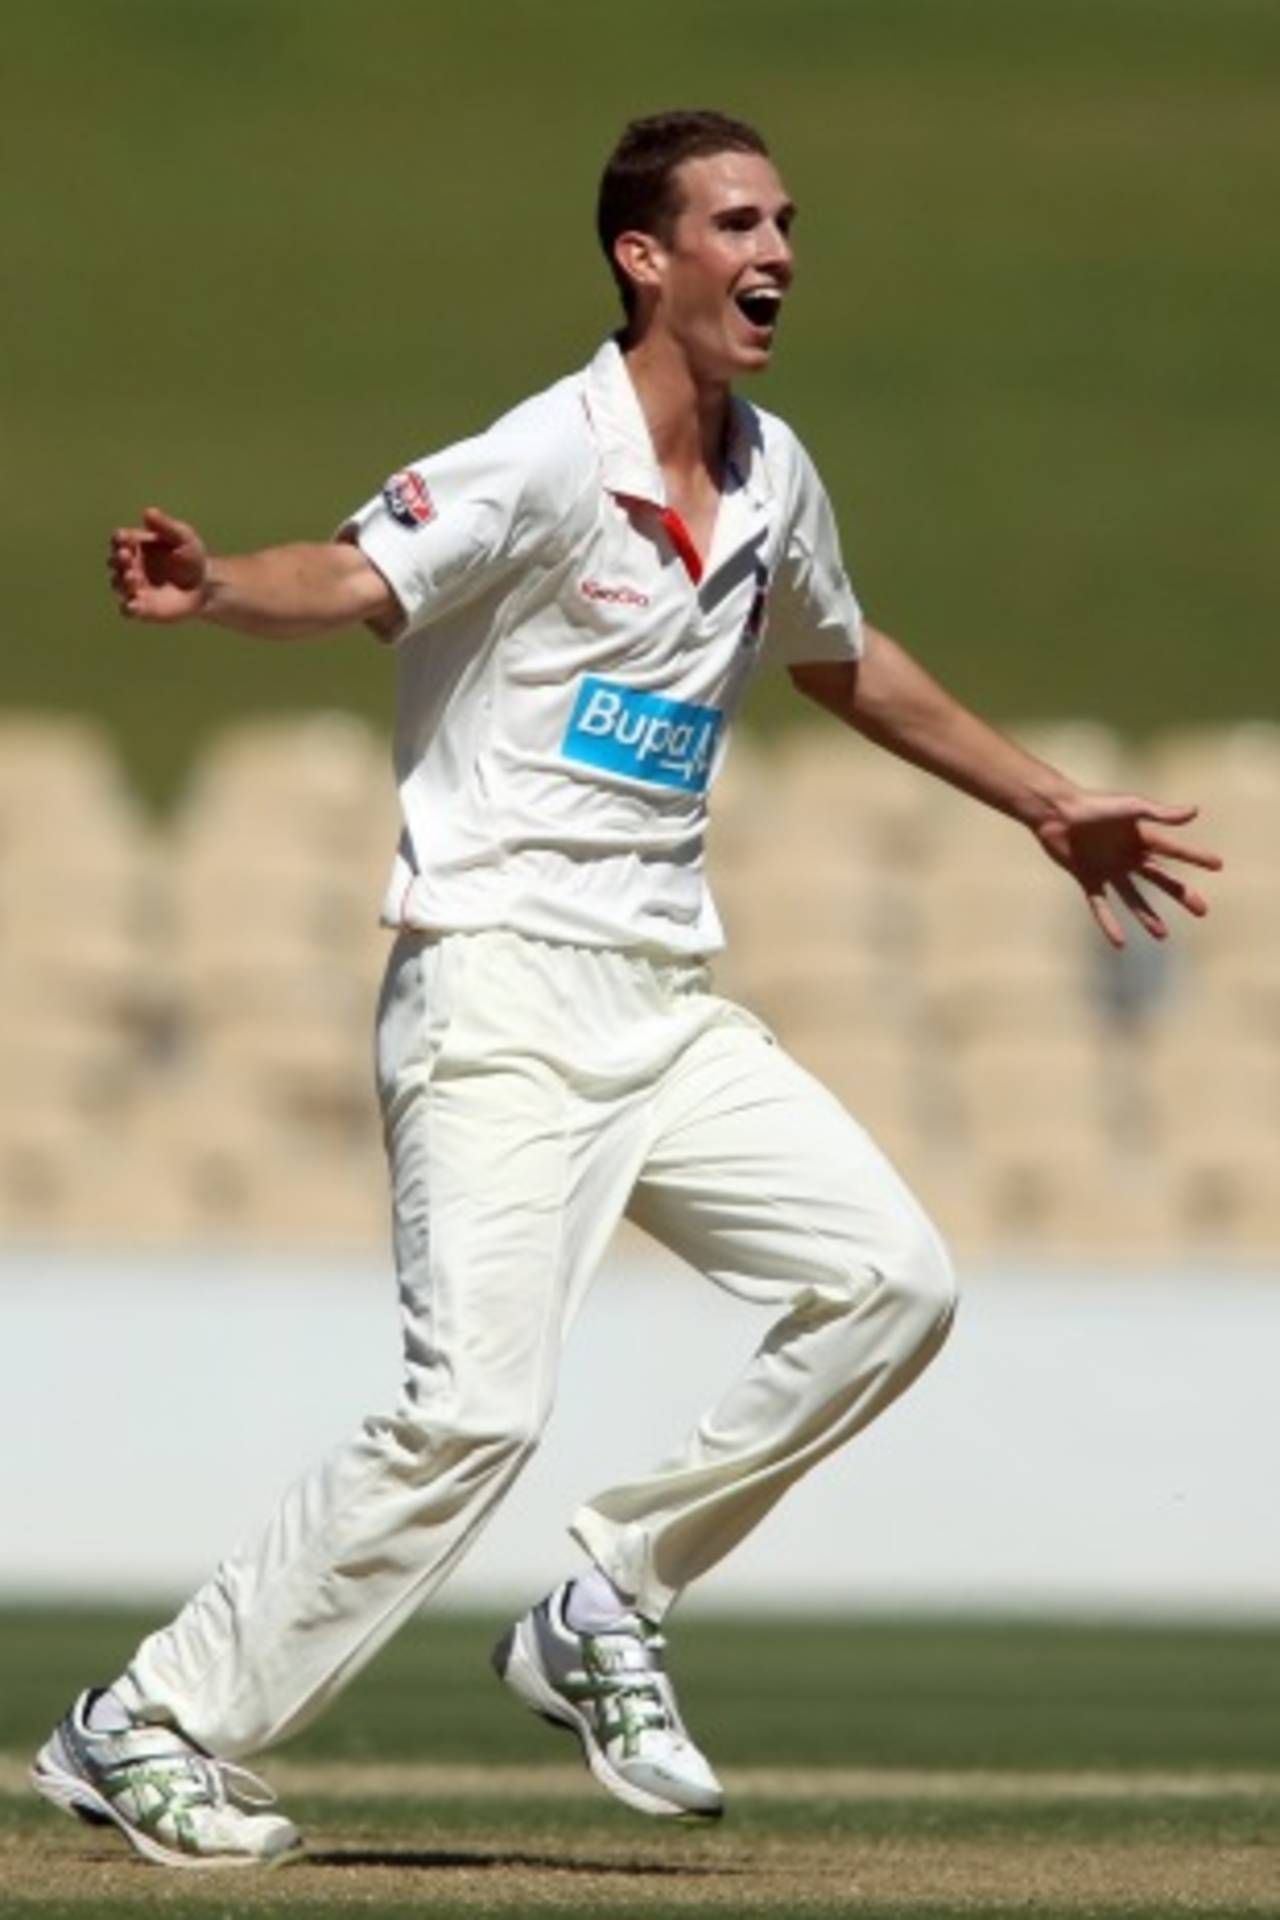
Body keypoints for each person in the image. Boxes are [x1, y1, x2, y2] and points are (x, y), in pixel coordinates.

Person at [32, 109, 1219, 1870]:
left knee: (890, 1281)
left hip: (661, 1003)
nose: (780, 251)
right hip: (494, 994)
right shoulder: (537, 458)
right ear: (641, 258)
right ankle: (145, 1726)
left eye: (790, 221)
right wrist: (217, 592)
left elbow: (840, 654)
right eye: (738, 220)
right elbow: (358, 576)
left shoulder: (773, 472)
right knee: (474, 1415)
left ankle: (608, 1595)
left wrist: (1045, 801)